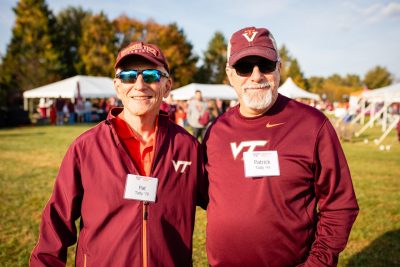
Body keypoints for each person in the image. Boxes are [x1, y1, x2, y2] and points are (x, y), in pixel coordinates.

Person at [30, 41, 207, 266]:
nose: (140, 85)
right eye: (129, 76)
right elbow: (55, 225)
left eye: (151, 75)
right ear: (117, 86)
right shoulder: (86, 147)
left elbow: (226, 204)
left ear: (167, 86)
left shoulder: (188, 147)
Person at [203, 26, 359, 267]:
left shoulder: (312, 125)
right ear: (229, 74)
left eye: (265, 65)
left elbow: (340, 204)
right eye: (244, 67)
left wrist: (318, 262)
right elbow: (208, 195)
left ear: (279, 68)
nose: (256, 76)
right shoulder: (215, 131)